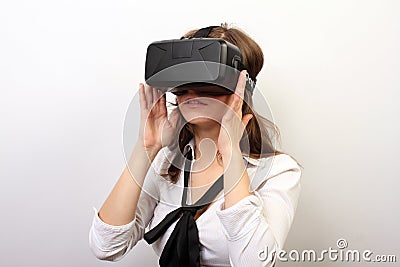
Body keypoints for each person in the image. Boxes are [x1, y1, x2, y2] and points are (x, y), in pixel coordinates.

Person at [89, 23, 302, 267]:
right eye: (183, 84)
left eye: (207, 81)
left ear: (243, 88)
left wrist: (231, 153)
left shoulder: (278, 171)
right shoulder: (165, 164)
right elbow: (106, 247)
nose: (192, 92)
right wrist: (146, 149)